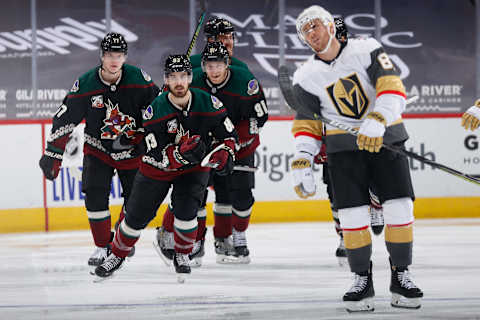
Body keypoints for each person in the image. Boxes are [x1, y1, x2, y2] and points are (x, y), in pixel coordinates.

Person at [291, 5, 423, 312]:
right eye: (305, 31)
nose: (311, 33)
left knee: (399, 208)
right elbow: (307, 123)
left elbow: (392, 86)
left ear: (329, 26)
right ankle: (361, 280)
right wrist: (302, 158)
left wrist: (378, 119)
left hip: (386, 141)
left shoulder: (367, 49)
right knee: (351, 217)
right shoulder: (305, 76)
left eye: (315, 25)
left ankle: (402, 275)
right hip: (343, 152)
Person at [94, 54, 237, 282]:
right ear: (166, 80)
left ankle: (182, 254)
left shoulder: (209, 103)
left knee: (187, 211)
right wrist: (179, 154)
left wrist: (225, 151)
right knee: (136, 217)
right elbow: (153, 153)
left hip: (193, 169)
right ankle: (117, 255)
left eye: (183, 76)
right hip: (156, 170)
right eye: (173, 77)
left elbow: (229, 136)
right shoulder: (155, 110)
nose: (178, 82)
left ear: (190, 77)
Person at [39, 32, 160, 268]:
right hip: (98, 150)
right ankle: (103, 246)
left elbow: (158, 112)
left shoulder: (140, 80)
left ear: (125, 57)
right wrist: (52, 152)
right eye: (109, 55)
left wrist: (146, 138)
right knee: (94, 195)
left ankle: (122, 236)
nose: (114, 60)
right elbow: (65, 118)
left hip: (132, 152)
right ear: (101, 56)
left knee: (137, 202)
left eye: (119, 55)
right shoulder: (86, 84)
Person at [156, 42, 268, 266]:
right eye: (209, 65)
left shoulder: (245, 83)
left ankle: (231, 237)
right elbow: (170, 108)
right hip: (201, 145)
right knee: (194, 194)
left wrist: (232, 143)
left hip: (239, 145)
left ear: (227, 64)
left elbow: (259, 118)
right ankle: (193, 241)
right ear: (203, 65)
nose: (214, 70)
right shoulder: (192, 80)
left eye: (218, 64)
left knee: (239, 196)